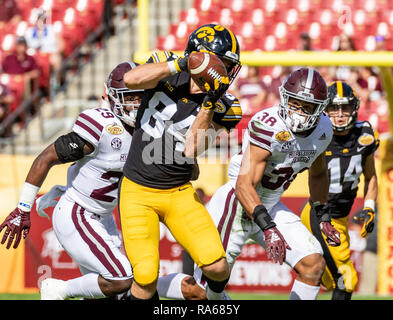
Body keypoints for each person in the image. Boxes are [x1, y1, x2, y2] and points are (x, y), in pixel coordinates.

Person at [157, 67, 342, 300]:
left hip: (271, 204)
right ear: (285, 98)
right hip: (236, 204)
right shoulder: (269, 125)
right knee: (203, 293)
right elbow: (245, 185)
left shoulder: (323, 129)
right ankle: (141, 287)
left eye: (307, 107)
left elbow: (318, 172)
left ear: (320, 109)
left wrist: (322, 213)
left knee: (313, 265)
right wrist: (269, 227)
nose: (299, 113)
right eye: (295, 104)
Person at [0, 62, 144, 300]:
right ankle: (58, 289)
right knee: (121, 278)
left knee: (111, 293)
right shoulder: (104, 126)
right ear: (115, 98)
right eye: (131, 98)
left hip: (103, 218)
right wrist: (23, 208)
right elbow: (46, 157)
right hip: (78, 213)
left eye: (142, 97)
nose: (137, 105)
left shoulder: (148, 127)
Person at [118, 23, 243, 300]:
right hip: (138, 190)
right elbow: (131, 79)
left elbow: (191, 149)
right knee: (146, 277)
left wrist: (210, 102)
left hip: (178, 192)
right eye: (221, 63)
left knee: (219, 267)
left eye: (228, 65)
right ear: (202, 57)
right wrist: (182, 64)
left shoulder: (227, 106)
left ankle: (215, 300)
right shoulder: (165, 65)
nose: (225, 71)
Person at [300, 81, 379, 300]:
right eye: (334, 108)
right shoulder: (317, 134)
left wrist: (370, 206)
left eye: (345, 107)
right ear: (325, 109)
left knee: (318, 274)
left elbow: (371, 175)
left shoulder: (365, 134)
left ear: (355, 107)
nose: (340, 114)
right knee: (346, 278)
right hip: (320, 214)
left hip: (341, 219)